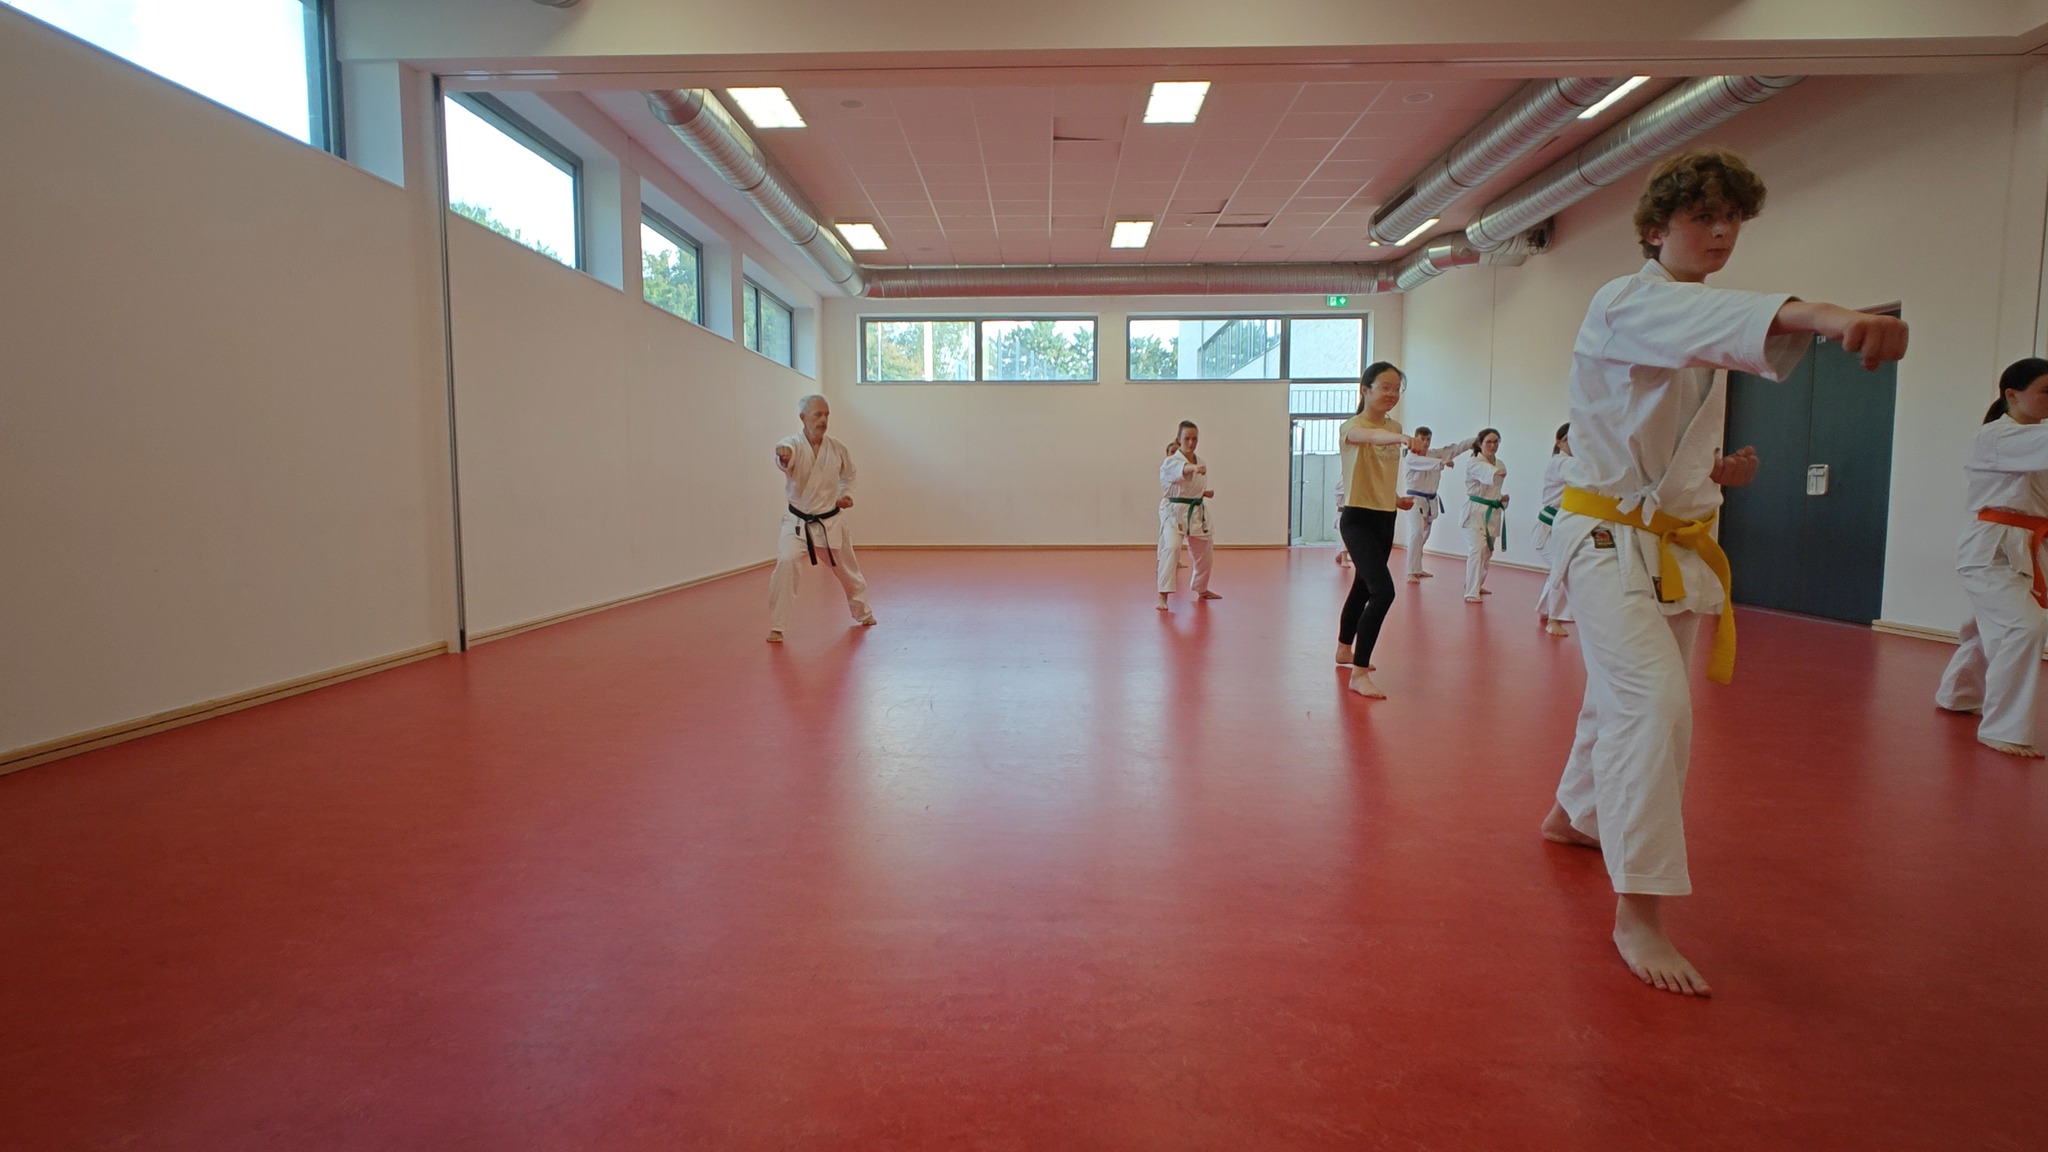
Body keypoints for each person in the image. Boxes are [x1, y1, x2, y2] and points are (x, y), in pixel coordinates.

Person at [1537, 148, 1908, 997]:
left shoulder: (1694, 322)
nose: (1721, 232)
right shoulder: (1625, 301)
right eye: (1704, 217)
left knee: (1620, 696)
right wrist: (1822, 312)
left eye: (1734, 219)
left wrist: (1714, 477)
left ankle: (1572, 816)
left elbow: (1665, 421)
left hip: (1671, 541)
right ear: (1654, 229)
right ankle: (1641, 911)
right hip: (1606, 546)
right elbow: (1750, 328)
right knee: (1655, 705)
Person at [1935, 358, 2048, 757]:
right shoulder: (1996, 437)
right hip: (1992, 548)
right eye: (2045, 391)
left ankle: (1959, 695)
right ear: (2012, 395)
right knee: (2024, 626)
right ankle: (2002, 729)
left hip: (2028, 544)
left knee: (1987, 628)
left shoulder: (2034, 437)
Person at [1335, 363, 1423, 697]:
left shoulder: (1396, 425)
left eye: (1397, 388)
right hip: (1357, 518)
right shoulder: (1351, 426)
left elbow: (1379, 474)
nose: (1392, 394)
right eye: (1385, 387)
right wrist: (1400, 437)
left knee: (1362, 585)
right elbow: (1370, 437)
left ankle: (1344, 648)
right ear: (1365, 389)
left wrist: (1395, 498)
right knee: (1383, 591)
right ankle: (1359, 673)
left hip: (1385, 516)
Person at [768, 394, 876, 642]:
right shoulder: (792, 444)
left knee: (847, 571)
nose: (823, 419)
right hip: (797, 522)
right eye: (818, 414)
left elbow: (849, 475)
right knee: (786, 561)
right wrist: (783, 456)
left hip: (830, 522)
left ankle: (863, 611)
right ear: (803, 417)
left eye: (826, 414)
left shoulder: (837, 448)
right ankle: (777, 625)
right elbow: (785, 456)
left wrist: (846, 494)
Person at [1400, 426, 1479, 582]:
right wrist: (1442, 462)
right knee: (1416, 532)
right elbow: (1425, 463)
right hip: (1413, 500)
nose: (1425, 442)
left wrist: (1476, 440)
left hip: (1430, 500)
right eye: (1422, 439)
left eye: (1428, 439)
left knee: (1423, 535)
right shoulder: (1411, 457)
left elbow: (1455, 448)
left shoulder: (1435, 454)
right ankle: (1411, 572)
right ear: (1415, 438)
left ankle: (1417, 568)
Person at [1159, 420, 1221, 610]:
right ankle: (1162, 595)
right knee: (1172, 547)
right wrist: (1192, 468)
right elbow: (1180, 473)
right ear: (1179, 439)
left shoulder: (1201, 461)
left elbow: (1189, 490)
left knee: (1205, 552)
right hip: (1173, 512)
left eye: (1194, 439)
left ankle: (1201, 588)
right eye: (1187, 438)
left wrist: (1203, 493)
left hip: (1195, 511)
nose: (1191, 443)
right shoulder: (1171, 462)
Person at [1533, 423, 1576, 637]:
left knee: (1559, 569)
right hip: (1547, 528)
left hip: (1559, 528)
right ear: (1559, 442)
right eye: (1569, 438)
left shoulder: (1572, 462)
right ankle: (1553, 619)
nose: (1574, 442)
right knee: (1563, 569)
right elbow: (1583, 476)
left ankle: (1545, 609)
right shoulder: (1561, 462)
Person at [1461, 429, 1508, 603]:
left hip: (1492, 512)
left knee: (1487, 552)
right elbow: (1488, 472)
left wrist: (1502, 499)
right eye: (1489, 442)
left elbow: (1495, 490)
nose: (1493, 445)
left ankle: (1476, 584)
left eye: (1496, 441)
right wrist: (1496, 472)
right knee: (1477, 549)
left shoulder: (1500, 463)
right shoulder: (1473, 462)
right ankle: (1471, 592)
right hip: (1474, 513)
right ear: (1480, 444)